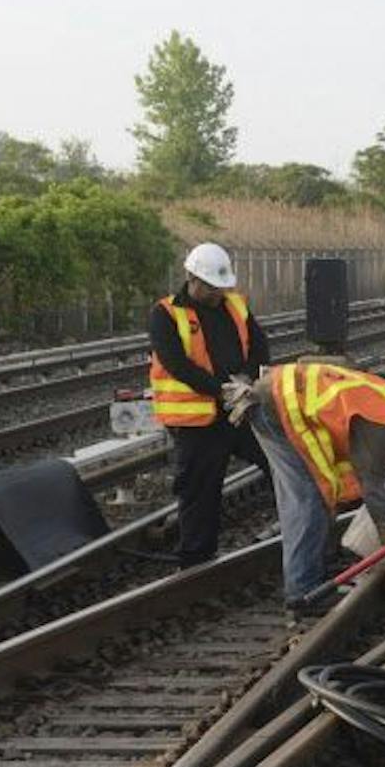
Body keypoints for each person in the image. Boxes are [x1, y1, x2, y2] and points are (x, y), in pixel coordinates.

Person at [235, 360, 385, 615]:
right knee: (310, 498)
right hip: (276, 407)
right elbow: (372, 489)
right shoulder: (380, 426)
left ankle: (315, 565)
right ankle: (302, 590)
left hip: (275, 397)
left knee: (311, 496)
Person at [147, 242, 270, 565]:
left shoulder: (235, 306)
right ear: (191, 277)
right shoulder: (166, 314)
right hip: (197, 422)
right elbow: (178, 365)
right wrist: (223, 390)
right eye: (211, 287)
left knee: (282, 462)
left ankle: (299, 529)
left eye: (221, 287)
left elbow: (259, 346)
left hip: (241, 410)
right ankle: (197, 557)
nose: (217, 294)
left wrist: (246, 379)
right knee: (199, 488)